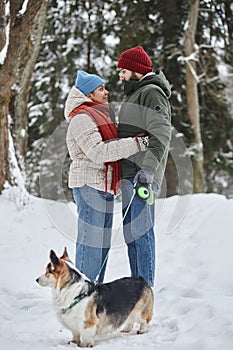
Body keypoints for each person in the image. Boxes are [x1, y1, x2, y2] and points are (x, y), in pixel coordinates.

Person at [64, 70, 148, 283]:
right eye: (101, 89)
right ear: (88, 94)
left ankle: (93, 296)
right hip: (89, 185)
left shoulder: (98, 114)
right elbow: (99, 152)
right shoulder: (82, 118)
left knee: (101, 247)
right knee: (91, 245)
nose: (106, 92)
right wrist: (136, 144)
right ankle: (81, 298)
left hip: (103, 186)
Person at [117, 46, 172, 287]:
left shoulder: (151, 93)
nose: (120, 75)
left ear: (137, 71)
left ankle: (144, 295)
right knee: (132, 237)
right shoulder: (135, 93)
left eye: (124, 71)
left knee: (141, 234)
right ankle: (134, 294)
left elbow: (161, 132)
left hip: (141, 176)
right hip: (129, 175)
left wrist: (148, 169)